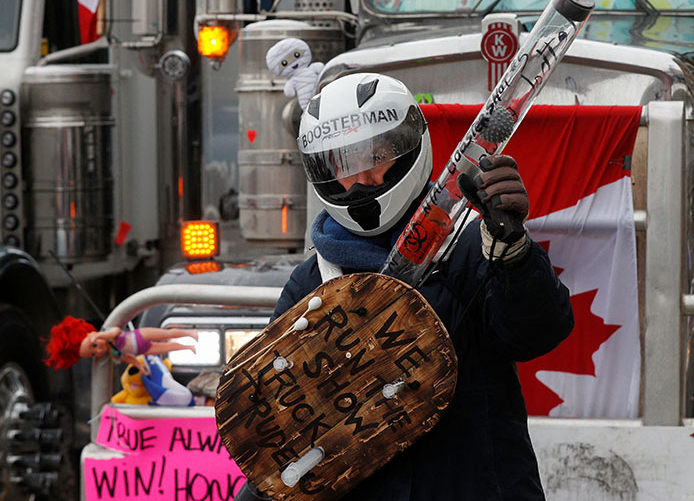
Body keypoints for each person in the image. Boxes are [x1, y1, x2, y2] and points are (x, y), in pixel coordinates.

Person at [237, 72, 573, 501]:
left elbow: (538, 334)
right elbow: (280, 418)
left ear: (407, 147)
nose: (360, 179)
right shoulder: (312, 281)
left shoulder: (469, 245)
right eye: (340, 165)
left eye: (375, 156)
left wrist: (514, 253)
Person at [43, 316, 198, 375]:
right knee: (167, 348)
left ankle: (189, 334)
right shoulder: (113, 353)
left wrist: (99, 336)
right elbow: (128, 358)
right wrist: (140, 366)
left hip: (139, 336)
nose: (98, 350)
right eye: (93, 353)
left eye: (94, 345)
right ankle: (188, 347)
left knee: (166, 334)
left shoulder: (108, 336)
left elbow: (116, 330)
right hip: (142, 349)